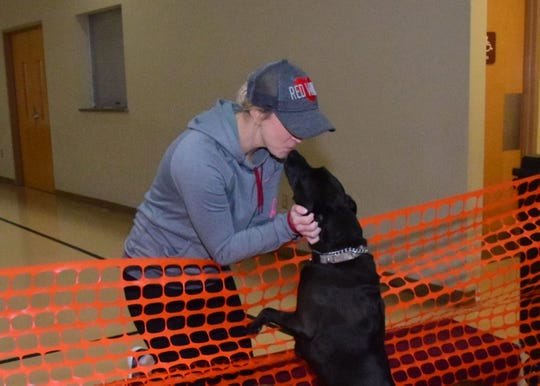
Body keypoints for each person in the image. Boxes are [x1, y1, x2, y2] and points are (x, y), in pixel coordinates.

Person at [122, 59, 335, 379]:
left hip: (206, 270)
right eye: (293, 124)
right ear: (258, 112)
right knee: (195, 375)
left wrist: (292, 228)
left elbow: (253, 229)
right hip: (157, 279)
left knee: (238, 364)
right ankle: (154, 363)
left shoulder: (272, 154)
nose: (299, 138)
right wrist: (286, 226)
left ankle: (155, 360)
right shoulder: (197, 158)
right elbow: (225, 248)